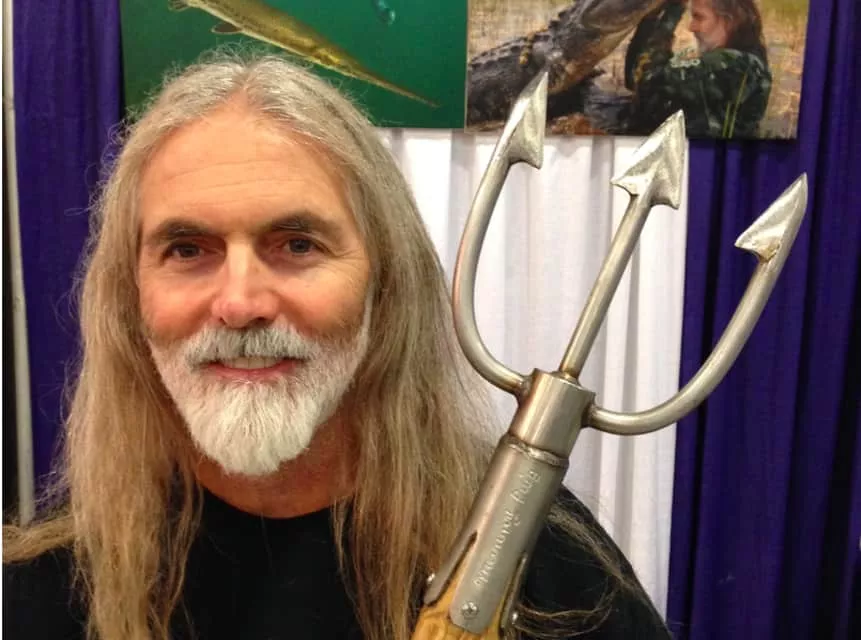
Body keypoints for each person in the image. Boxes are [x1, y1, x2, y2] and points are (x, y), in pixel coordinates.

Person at [2, 52, 671, 640]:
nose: (240, 303)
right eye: (187, 249)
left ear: (385, 283)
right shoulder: (46, 587)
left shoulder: (546, 569)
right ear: (129, 298)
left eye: (297, 244)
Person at [623, 0, 772, 138]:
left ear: (729, 22)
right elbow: (634, 80)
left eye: (699, 17)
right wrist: (650, 19)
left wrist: (672, 13)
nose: (691, 27)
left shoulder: (733, 64)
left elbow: (647, 82)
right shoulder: (741, 61)